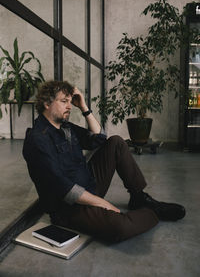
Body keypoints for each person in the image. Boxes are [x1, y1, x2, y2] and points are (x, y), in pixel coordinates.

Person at [23, 80, 185, 243]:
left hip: (90, 186)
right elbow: (64, 188)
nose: (70, 106)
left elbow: (99, 138)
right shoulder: (38, 139)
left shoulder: (65, 127)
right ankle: (153, 212)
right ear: (46, 103)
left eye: (70, 102)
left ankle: (138, 197)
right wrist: (105, 205)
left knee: (116, 142)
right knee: (120, 227)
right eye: (64, 101)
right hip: (70, 209)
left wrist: (84, 108)